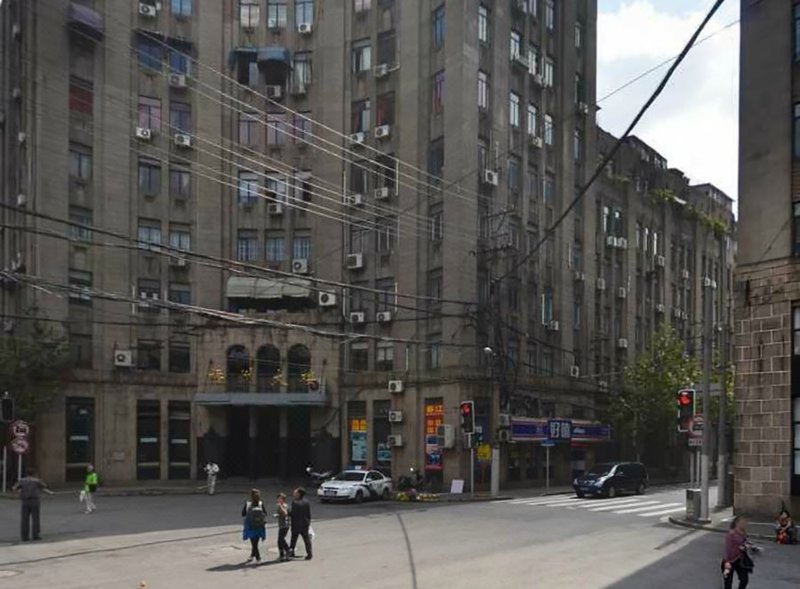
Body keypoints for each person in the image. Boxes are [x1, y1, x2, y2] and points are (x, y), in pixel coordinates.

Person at [12, 468, 55, 542]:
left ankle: (24, 536)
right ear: (34, 474)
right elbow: (43, 487)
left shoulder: (22, 480)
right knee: (35, 519)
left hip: (25, 501)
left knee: (24, 519)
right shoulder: (37, 481)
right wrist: (51, 493)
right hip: (35, 501)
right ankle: (35, 535)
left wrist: (20, 492)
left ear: (27, 474)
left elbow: (14, 488)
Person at [722, 516, 753, 589]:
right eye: (742, 523)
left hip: (740, 560)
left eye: (745, 523)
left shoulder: (744, 533)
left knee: (744, 580)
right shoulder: (731, 534)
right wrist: (727, 562)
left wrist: (748, 545)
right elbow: (727, 549)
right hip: (729, 561)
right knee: (728, 583)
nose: (745, 524)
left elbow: (745, 543)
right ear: (737, 523)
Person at [241, 489, 267, 563]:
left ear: (251, 496)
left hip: (250, 526)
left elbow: (243, 514)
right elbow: (265, 513)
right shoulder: (261, 503)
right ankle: (252, 555)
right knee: (255, 542)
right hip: (259, 526)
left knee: (254, 543)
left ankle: (258, 558)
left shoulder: (248, 503)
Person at [289, 487, 313, 560]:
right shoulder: (306, 502)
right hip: (305, 523)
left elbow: (293, 513)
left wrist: (287, 512)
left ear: (299, 494)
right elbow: (308, 513)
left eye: (295, 492)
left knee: (293, 539)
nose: (294, 493)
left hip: (296, 524)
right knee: (306, 540)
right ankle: (309, 553)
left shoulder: (295, 502)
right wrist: (308, 522)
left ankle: (291, 553)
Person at [275, 492, 290, 561]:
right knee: (280, 541)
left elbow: (285, 513)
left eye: (280, 498)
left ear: (283, 499)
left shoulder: (284, 505)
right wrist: (278, 515)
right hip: (281, 524)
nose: (278, 500)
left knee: (281, 540)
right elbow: (282, 514)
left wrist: (280, 506)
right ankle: (282, 554)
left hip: (284, 525)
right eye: (278, 498)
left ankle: (287, 551)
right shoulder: (280, 506)